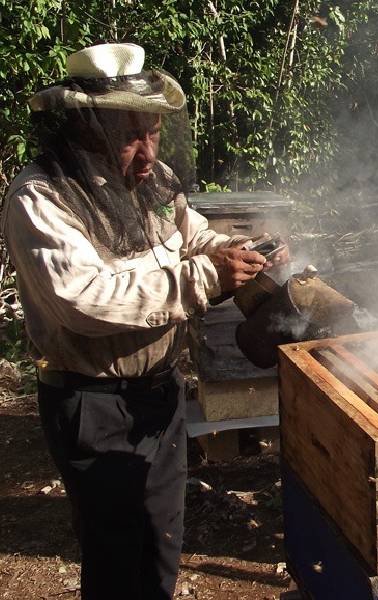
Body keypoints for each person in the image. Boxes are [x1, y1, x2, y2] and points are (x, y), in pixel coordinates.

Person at [1, 43, 284, 599]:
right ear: (84, 127)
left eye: (153, 132)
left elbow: (193, 236)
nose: (148, 150)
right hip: (92, 403)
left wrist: (241, 249)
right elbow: (83, 299)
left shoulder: (153, 182)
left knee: (161, 544)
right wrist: (206, 278)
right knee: (115, 555)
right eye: (133, 134)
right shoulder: (41, 198)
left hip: (160, 395)